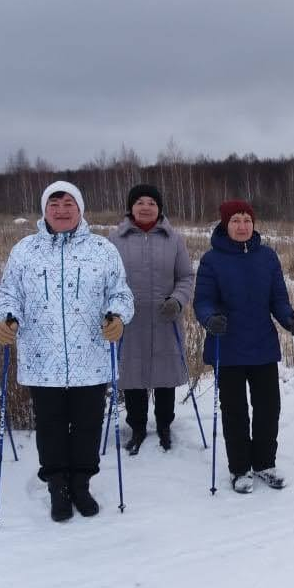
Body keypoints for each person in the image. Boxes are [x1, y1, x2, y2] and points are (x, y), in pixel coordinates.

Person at [0, 181, 134, 521]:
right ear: (44, 211)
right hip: (43, 359)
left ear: (80, 209)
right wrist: (8, 318)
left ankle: (82, 483)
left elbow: (120, 293)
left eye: (68, 203)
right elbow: (10, 293)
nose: (61, 210)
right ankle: (58, 485)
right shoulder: (25, 250)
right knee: (51, 426)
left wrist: (118, 316)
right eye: (53, 204)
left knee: (88, 425)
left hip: (92, 355)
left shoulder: (102, 249)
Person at [193, 200, 294, 493]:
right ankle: (239, 468)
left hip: (262, 346)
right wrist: (209, 318)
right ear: (225, 225)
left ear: (253, 223)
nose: (242, 226)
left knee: (268, 408)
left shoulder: (267, 257)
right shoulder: (211, 260)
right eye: (235, 221)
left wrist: (290, 319)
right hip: (227, 347)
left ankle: (265, 463)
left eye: (246, 220)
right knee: (235, 410)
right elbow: (202, 301)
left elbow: (278, 299)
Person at [110, 184, 195, 454]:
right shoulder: (115, 239)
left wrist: (178, 301)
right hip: (129, 321)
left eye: (151, 203)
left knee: (164, 376)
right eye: (140, 202)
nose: (145, 207)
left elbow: (186, 277)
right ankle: (136, 426)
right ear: (131, 207)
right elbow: (107, 280)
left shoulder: (173, 239)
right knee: (132, 375)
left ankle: (164, 425)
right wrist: (113, 310)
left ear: (159, 208)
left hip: (165, 318)